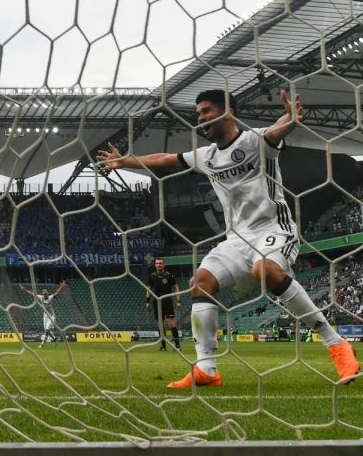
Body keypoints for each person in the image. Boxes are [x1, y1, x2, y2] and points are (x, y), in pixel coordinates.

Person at [98, 89, 359, 387]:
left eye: (207, 110)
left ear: (229, 112)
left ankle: (336, 343)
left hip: (274, 230)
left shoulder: (255, 141)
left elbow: (277, 130)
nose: (200, 117)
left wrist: (292, 119)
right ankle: (207, 369)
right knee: (201, 281)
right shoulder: (206, 156)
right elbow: (165, 158)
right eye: (198, 113)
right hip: (236, 239)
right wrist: (125, 162)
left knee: (266, 270)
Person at [146, 258, 182, 351]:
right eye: (157, 263)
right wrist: (147, 301)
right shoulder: (152, 276)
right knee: (160, 324)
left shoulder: (169, 275)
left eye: (160, 263)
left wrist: (178, 301)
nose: (159, 265)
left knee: (171, 323)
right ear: (155, 265)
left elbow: (176, 288)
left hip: (167, 301)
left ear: (163, 265)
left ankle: (177, 345)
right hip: (157, 302)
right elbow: (149, 289)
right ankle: (163, 346)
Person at [20, 281, 65, 348]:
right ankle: (54, 339)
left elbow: (57, 292)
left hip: (51, 316)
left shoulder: (50, 297)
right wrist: (24, 290)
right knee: (46, 331)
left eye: (46, 291)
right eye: (43, 291)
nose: (44, 292)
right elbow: (31, 293)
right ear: (43, 293)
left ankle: (42, 344)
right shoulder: (40, 297)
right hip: (45, 316)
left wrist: (61, 286)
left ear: (48, 293)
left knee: (47, 330)